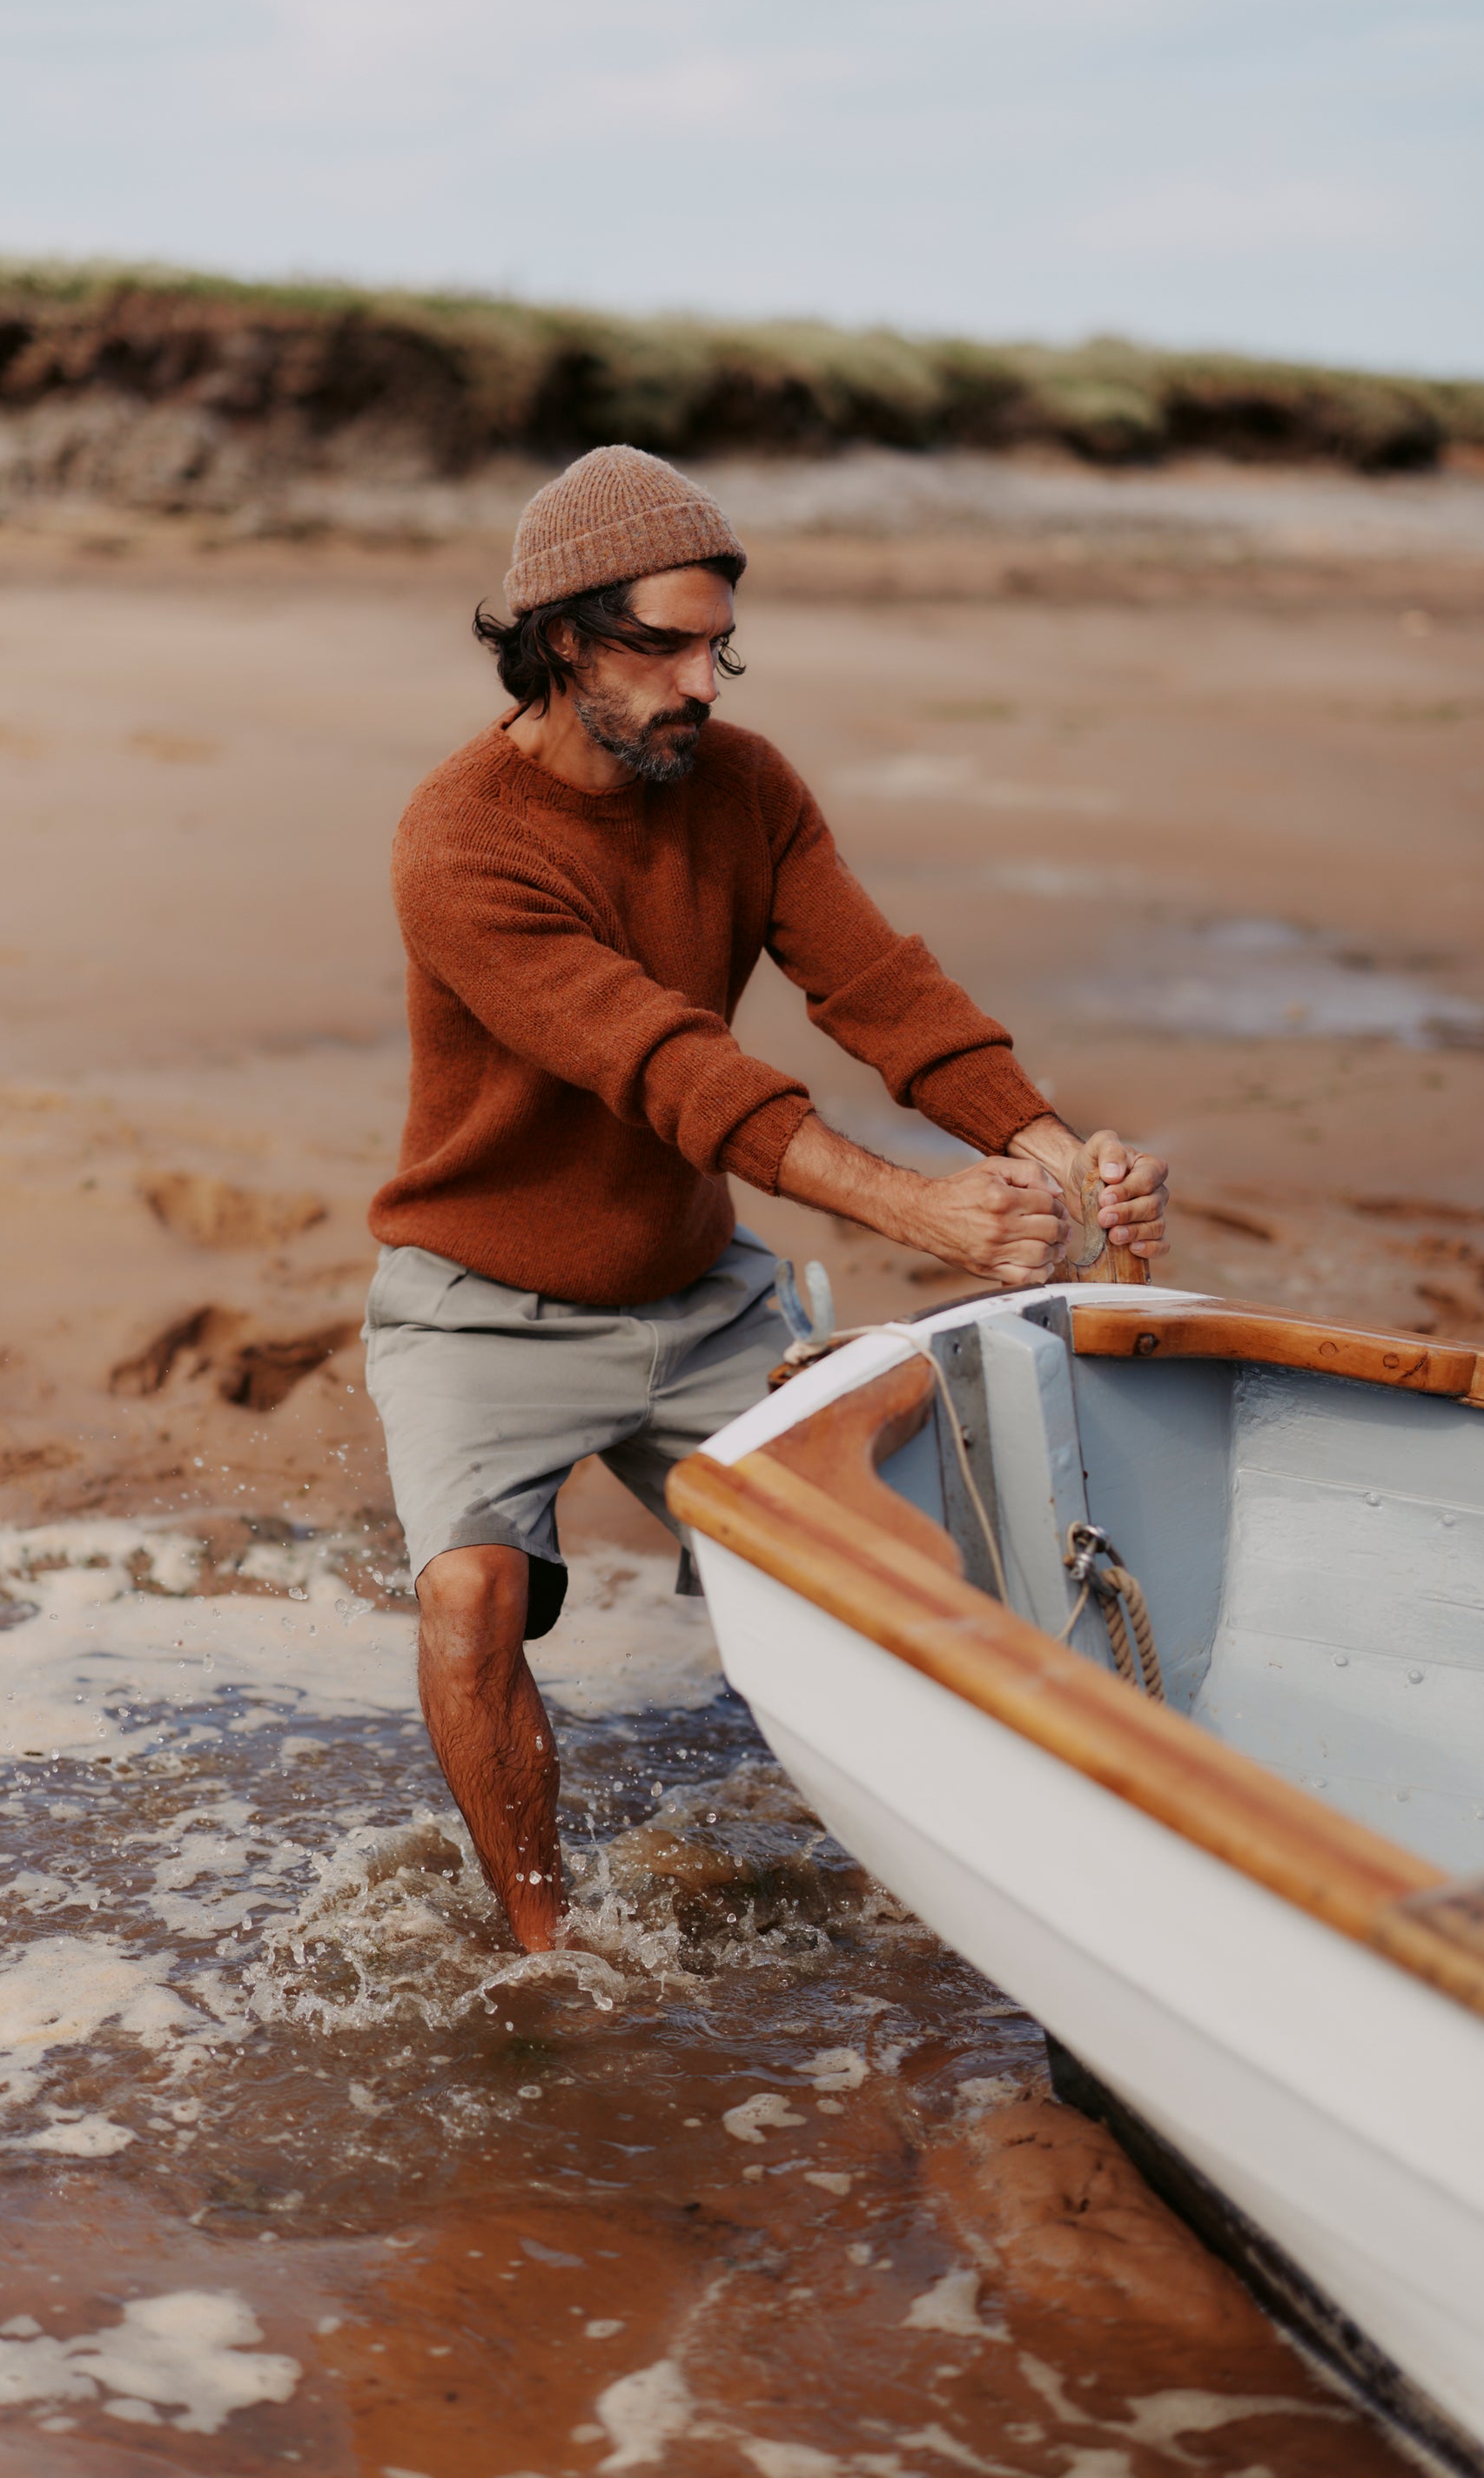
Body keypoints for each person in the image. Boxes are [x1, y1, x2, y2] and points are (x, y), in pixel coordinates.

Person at [365, 447, 1168, 1950]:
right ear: (560, 640)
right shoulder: (457, 840)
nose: (701, 684)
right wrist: (917, 1211)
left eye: (716, 647)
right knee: (469, 1597)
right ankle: (545, 1954)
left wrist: (1056, 1148)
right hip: (481, 1301)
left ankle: (956, 1902)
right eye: (662, 647)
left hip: (697, 1284)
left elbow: (880, 990)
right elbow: (670, 1067)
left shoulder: (743, 786)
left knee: (884, 1573)